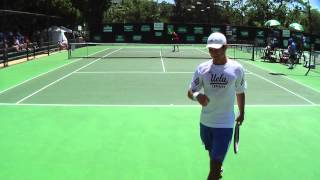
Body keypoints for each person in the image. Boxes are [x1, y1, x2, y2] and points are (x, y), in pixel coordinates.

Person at [187, 32, 246, 180]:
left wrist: (242, 112)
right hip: (205, 123)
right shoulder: (202, 68)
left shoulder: (237, 69)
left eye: (217, 49)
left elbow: (240, 92)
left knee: (213, 171)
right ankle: (217, 167)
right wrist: (197, 96)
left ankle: (216, 169)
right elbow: (190, 91)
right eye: (210, 49)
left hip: (225, 124)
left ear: (226, 47)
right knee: (212, 154)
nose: (213, 52)